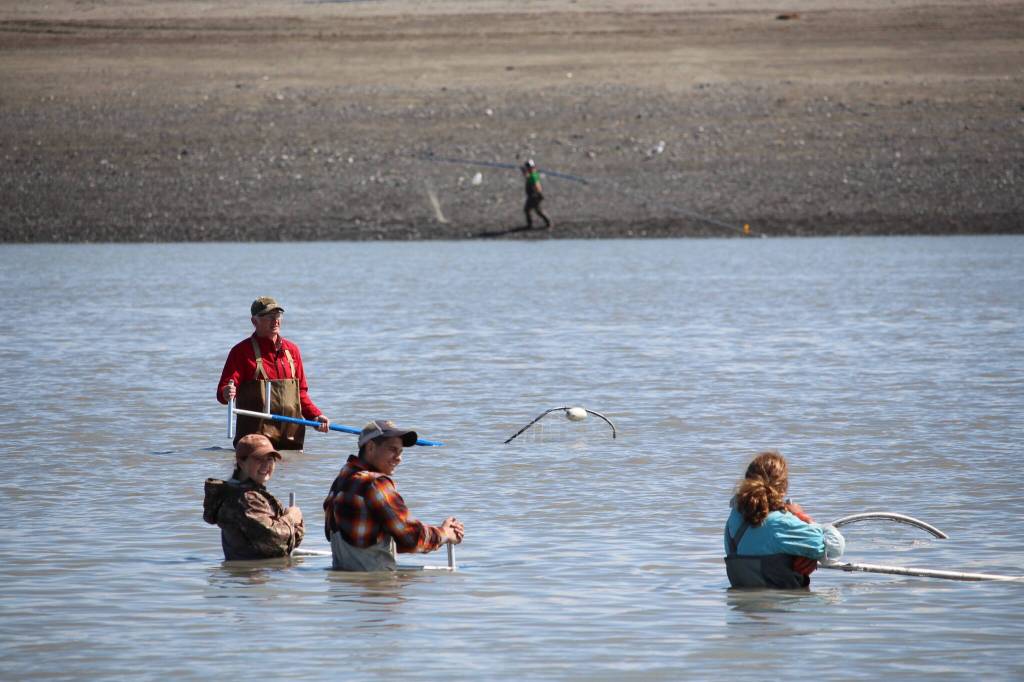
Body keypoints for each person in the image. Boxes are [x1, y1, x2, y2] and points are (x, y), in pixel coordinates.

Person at [323, 419, 465, 571]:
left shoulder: (343, 476)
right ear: (370, 447)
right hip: (376, 582)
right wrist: (445, 533)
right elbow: (411, 537)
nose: (399, 458)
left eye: (400, 452)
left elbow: (339, 535)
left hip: (342, 581)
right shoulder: (376, 483)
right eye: (393, 449)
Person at [217, 296, 329, 450]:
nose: (275, 321)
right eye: (269, 316)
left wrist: (315, 416)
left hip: (291, 442)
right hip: (255, 447)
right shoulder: (241, 352)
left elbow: (300, 394)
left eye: (278, 316)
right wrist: (226, 392)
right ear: (254, 321)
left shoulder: (292, 350)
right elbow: (222, 394)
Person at [724, 450, 845, 589]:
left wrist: (805, 553)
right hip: (782, 601)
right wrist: (803, 518)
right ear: (783, 487)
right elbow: (835, 547)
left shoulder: (733, 520)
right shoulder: (780, 523)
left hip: (743, 601)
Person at [203, 433, 305, 560]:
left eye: (270, 459)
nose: (266, 465)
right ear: (241, 462)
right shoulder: (245, 499)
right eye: (258, 459)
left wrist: (294, 526)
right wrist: (292, 518)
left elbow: (289, 542)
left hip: (260, 568)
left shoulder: (250, 493)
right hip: (252, 570)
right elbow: (274, 539)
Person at [521, 159, 552, 229]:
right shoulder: (533, 173)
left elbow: (533, 182)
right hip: (533, 196)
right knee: (533, 210)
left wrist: (537, 194)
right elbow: (528, 177)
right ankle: (546, 223)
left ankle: (547, 222)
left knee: (534, 210)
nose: (528, 169)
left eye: (528, 167)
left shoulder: (533, 176)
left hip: (534, 196)